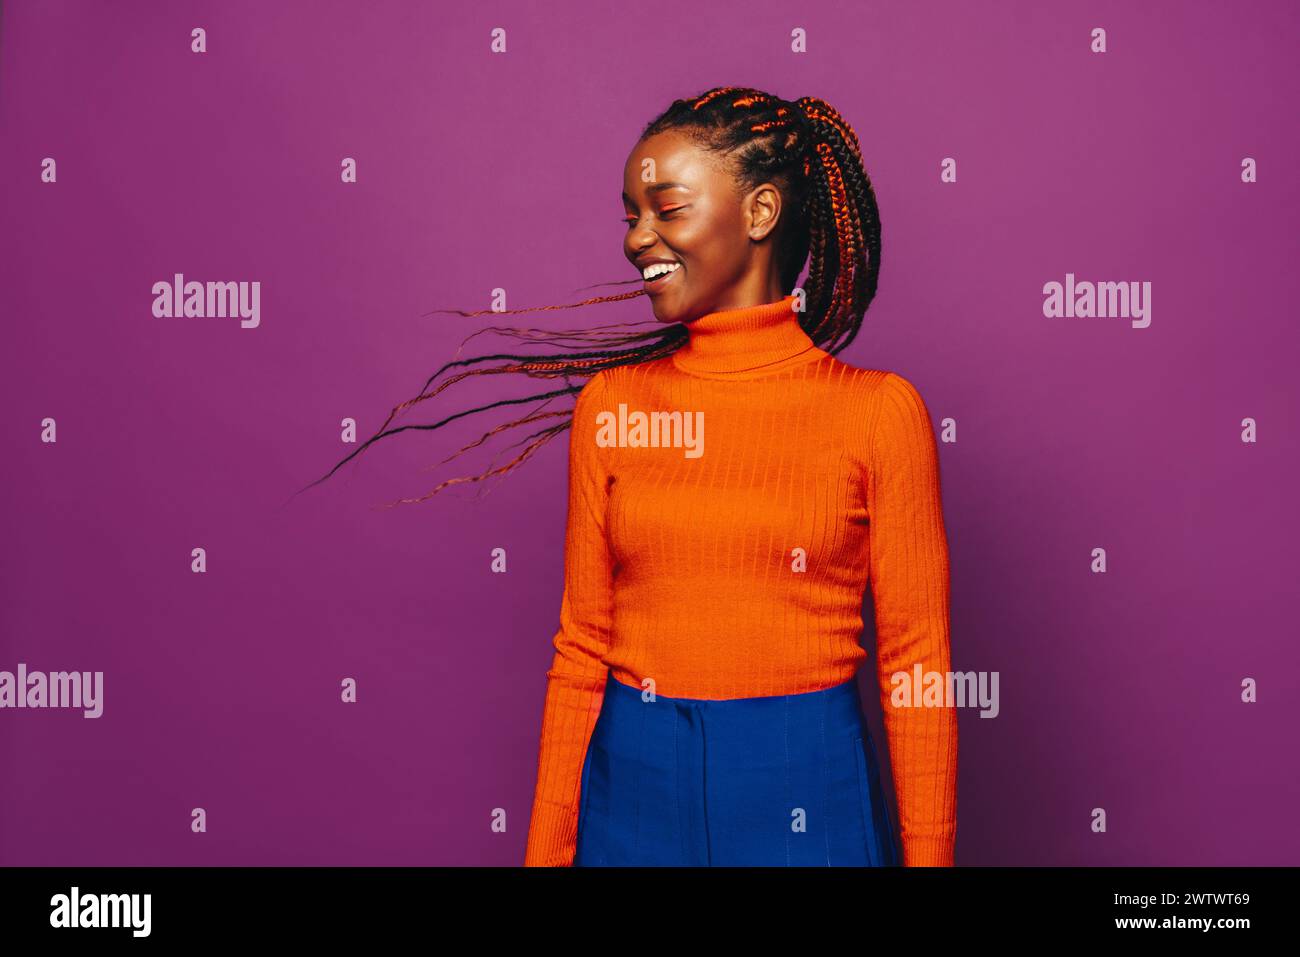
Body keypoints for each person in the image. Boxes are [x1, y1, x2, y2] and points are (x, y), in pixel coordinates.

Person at [302, 86, 957, 868]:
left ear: (760, 213)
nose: (637, 238)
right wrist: (545, 854)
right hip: (634, 782)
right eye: (629, 215)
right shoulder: (612, 406)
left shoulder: (880, 412)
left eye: (667, 208)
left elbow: (917, 666)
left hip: (806, 783)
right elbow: (581, 646)